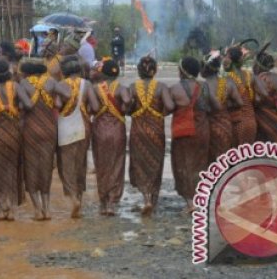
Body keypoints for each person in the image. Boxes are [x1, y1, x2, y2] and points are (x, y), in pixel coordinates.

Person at [169, 57, 219, 213]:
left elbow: (167, 109)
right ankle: (200, 198)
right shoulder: (204, 87)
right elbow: (216, 106)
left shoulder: (175, 89)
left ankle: (190, 202)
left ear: (182, 71)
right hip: (202, 130)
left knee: (182, 164)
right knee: (200, 163)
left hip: (183, 132)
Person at [20, 57, 67, 220]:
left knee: (31, 167)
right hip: (49, 129)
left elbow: (25, 106)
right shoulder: (52, 82)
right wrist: (55, 99)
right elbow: (66, 94)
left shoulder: (24, 84)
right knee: (46, 166)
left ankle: (37, 210)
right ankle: (47, 209)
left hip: (31, 130)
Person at [0, 59, 33, 221]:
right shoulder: (15, 87)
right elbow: (28, 104)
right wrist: (16, 110)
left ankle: (1, 208)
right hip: (14, 134)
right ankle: (11, 208)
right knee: (12, 170)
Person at [128, 55, 174, 215]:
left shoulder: (133, 87)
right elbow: (170, 105)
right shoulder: (161, 87)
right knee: (155, 163)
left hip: (138, 131)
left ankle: (146, 198)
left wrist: (134, 111)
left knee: (140, 164)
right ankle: (152, 200)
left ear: (139, 71)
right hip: (156, 131)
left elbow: (126, 108)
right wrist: (160, 114)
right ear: (154, 71)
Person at [55, 55, 99, 218]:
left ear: (64, 72)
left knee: (66, 164)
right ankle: (79, 198)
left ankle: (73, 198)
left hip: (66, 126)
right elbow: (95, 106)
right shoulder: (86, 84)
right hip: (84, 125)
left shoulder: (61, 85)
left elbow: (58, 105)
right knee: (80, 162)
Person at [91, 59, 130, 216]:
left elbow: (92, 109)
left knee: (101, 165)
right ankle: (112, 203)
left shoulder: (95, 89)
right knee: (117, 164)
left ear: (102, 73)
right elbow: (127, 102)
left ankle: (103, 202)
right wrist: (124, 108)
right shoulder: (122, 89)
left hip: (99, 130)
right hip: (117, 131)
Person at [202, 52, 242, 162]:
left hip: (209, 127)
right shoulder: (228, 83)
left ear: (206, 68)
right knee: (224, 160)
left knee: (212, 162)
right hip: (226, 125)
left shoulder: (203, 85)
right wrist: (226, 105)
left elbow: (203, 107)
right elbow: (239, 103)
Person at [224, 46, 267, 147]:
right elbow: (264, 93)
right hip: (251, 122)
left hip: (237, 123)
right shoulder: (250, 76)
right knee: (247, 156)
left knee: (236, 158)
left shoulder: (227, 79)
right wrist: (254, 99)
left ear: (229, 60)